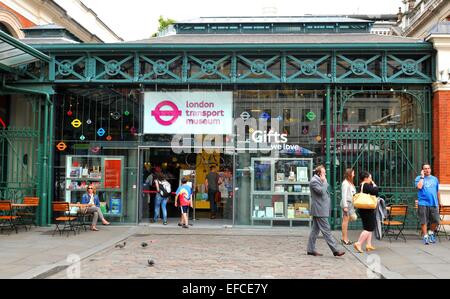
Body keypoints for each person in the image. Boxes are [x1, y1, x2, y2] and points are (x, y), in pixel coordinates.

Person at [307, 165, 345, 257]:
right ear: (319, 173)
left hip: (320, 209)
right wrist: (324, 182)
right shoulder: (314, 181)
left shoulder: (318, 180)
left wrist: (323, 181)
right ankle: (335, 250)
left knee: (315, 231)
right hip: (319, 210)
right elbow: (321, 191)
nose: (325, 174)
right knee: (326, 230)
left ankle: (311, 249)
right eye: (324, 172)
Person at [415, 163, 442, 245]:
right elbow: (419, 187)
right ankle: (426, 236)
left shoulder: (435, 179)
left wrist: (439, 201)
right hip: (423, 202)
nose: (427, 170)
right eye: (425, 168)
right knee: (424, 221)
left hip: (434, 202)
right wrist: (422, 177)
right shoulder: (418, 178)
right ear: (422, 170)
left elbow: (437, 191)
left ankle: (430, 232)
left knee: (436, 220)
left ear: (430, 169)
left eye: (428, 168)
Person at [353, 171, 378, 253]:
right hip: (367, 209)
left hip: (363, 209)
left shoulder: (362, 185)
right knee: (369, 228)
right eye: (370, 177)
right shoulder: (366, 185)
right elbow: (375, 191)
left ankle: (368, 244)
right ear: (366, 178)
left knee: (368, 227)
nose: (371, 179)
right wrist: (374, 184)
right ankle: (359, 243)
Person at [341, 168, 356, 245]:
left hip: (350, 204)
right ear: (349, 174)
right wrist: (345, 206)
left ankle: (344, 238)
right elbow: (343, 195)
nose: (354, 174)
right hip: (347, 203)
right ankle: (344, 239)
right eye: (353, 173)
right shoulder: (345, 183)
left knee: (347, 220)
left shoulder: (350, 183)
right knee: (345, 221)